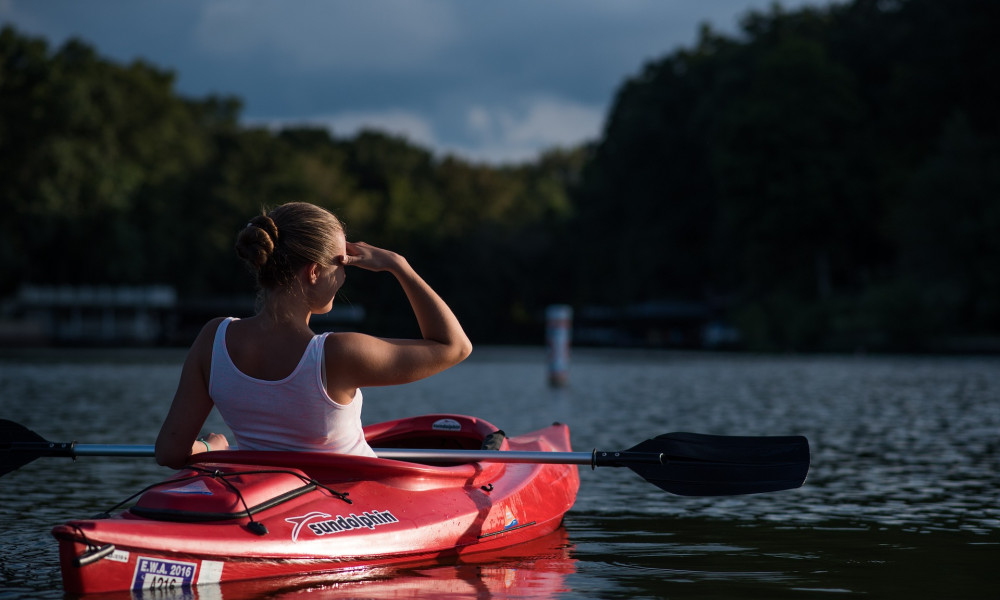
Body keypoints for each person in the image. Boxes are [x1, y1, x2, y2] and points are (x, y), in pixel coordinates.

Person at [155, 202, 472, 469]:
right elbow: (455, 346)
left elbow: (170, 452)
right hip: (350, 511)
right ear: (314, 272)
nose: (345, 274)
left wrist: (213, 451)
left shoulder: (214, 338)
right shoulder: (338, 353)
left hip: (271, 505)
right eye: (342, 262)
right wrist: (399, 266)